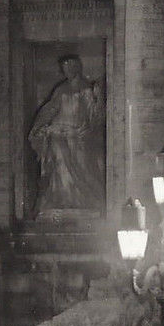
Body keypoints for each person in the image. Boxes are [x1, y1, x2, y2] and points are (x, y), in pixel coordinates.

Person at [27, 54, 105, 214]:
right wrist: (40, 126)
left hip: (80, 134)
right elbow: (50, 109)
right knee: (56, 149)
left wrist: (87, 129)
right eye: (65, 67)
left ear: (78, 67)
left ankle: (84, 200)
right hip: (61, 131)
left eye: (71, 66)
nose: (68, 70)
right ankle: (60, 199)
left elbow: (94, 115)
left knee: (82, 160)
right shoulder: (61, 90)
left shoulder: (87, 89)